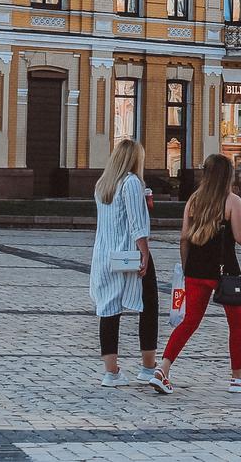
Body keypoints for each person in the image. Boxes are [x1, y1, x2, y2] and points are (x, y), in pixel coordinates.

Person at [152, 152, 241, 394]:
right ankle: (238, 377)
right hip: (225, 272)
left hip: (196, 270)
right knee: (237, 324)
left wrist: (186, 267)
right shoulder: (232, 201)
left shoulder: (194, 200)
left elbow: (184, 238)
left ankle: (163, 369)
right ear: (227, 176)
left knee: (189, 322)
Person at [89, 138, 159, 387]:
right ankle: (148, 367)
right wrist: (145, 253)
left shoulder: (103, 184)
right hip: (129, 254)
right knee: (148, 306)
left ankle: (111, 372)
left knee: (109, 310)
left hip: (104, 255)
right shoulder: (131, 182)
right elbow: (137, 224)